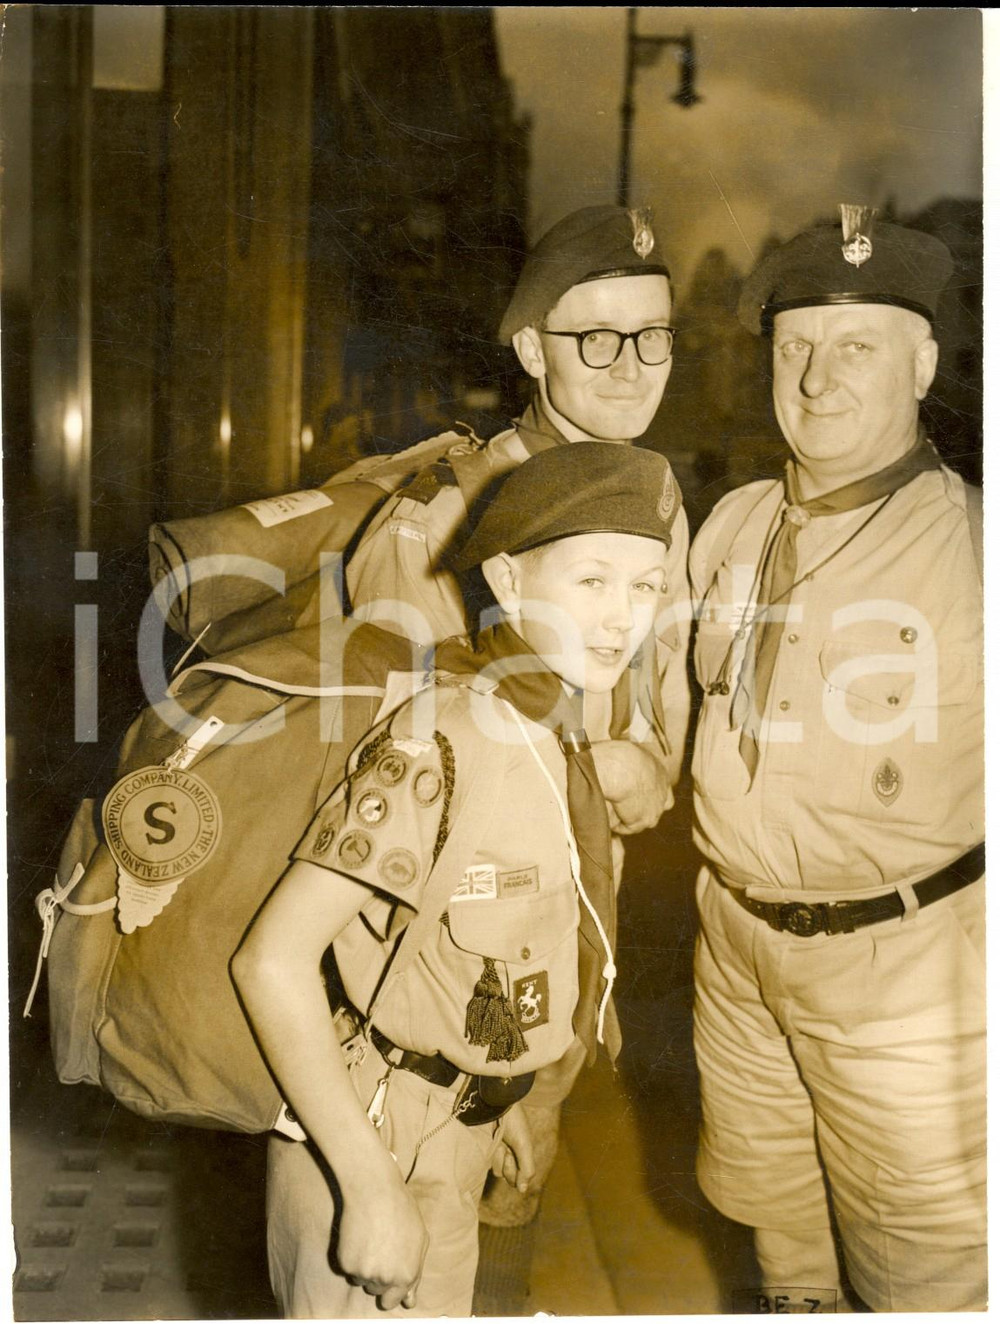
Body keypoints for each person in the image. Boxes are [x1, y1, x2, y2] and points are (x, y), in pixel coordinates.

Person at [232, 441, 685, 1317]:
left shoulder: (556, 726)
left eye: (646, 586)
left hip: (456, 1128)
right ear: (509, 584)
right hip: (366, 1142)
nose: (621, 617)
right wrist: (367, 1190)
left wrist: (495, 1087)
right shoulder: (444, 740)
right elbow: (271, 962)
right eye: (592, 581)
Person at [339, 203, 692, 1306]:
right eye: (596, 337)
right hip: (437, 997)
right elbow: (380, 758)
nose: (631, 365)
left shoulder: (655, 502)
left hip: (564, 953)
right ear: (532, 350)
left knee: (510, 1241)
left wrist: (651, 767)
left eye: (653, 335)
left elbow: (655, 719)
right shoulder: (447, 513)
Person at [688, 207, 984, 1311]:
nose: (815, 378)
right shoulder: (732, 523)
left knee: (925, 1275)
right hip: (736, 958)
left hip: (903, 977)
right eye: (793, 346)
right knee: (783, 1248)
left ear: (921, 362)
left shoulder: (975, 546)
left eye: (853, 345)